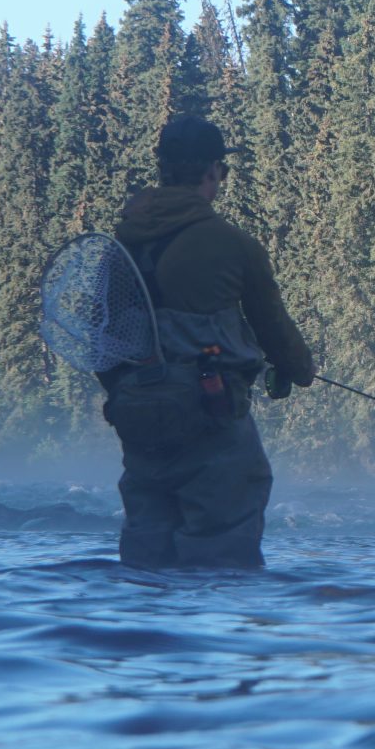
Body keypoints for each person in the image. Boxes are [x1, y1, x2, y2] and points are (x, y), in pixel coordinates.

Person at [101, 116, 315, 569]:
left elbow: (101, 335)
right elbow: (273, 327)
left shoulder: (120, 245)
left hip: (136, 412)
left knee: (147, 544)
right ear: (214, 171)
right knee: (223, 545)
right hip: (209, 412)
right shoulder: (232, 244)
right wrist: (299, 370)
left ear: (164, 169)